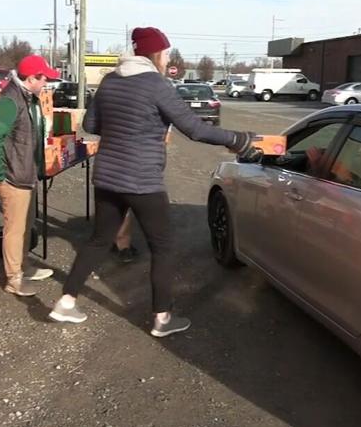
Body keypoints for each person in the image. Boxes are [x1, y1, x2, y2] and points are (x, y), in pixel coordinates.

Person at [49, 27, 261, 337]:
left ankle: (65, 302)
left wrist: (124, 123)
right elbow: (195, 129)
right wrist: (238, 139)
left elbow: (90, 124)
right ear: (155, 55)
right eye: (164, 53)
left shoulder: (110, 81)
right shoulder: (156, 84)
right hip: (142, 179)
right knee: (163, 247)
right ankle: (162, 318)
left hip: (107, 176)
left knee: (98, 240)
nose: (166, 59)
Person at [0, 55, 58, 297]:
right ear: (31, 78)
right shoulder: (9, 101)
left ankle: (23, 267)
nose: (46, 82)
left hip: (26, 173)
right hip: (13, 176)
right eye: (43, 78)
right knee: (15, 229)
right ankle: (14, 279)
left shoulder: (28, 98)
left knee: (26, 225)